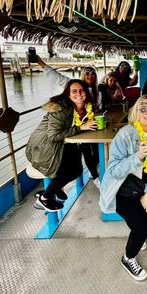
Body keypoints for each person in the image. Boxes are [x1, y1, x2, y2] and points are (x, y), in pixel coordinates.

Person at [99, 95, 147, 281]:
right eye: (143, 108)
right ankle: (128, 258)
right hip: (122, 190)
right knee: (142, 227)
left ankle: (137, 232)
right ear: (137, 111)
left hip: (141, 189)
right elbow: (113, 171)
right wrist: (137, 157)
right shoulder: (125, 134)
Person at [26, 79, 98, 211]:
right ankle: (44, 198)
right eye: (74, 91)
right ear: (68, 95)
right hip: (44, 148)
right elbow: (53, 136)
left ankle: (55, 189)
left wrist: (84, 126)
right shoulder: (61, 109)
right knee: (68, 172)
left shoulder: (86, 107)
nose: (79, 93)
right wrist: (81, 127)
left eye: (81, 90)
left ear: (86, 92)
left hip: (62, 144)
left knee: (77, 168)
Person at [36, 55, 101, 187]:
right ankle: (95, 176)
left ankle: (92, 170)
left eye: (93, 73)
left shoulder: (97, 91)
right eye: (87, 73)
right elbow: (56, 77)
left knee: (96, 149)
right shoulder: (72, 85)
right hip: (73, 129)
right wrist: (41, 63)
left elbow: (98, 107)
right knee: (86, 151)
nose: (90, 75)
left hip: (90, 126)